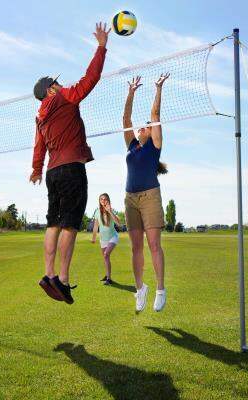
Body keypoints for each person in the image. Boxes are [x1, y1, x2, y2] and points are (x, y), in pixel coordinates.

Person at [30, 22, 110, 304]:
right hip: (71, 169)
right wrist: (101, 47)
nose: (60, 84)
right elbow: (89, 81)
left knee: (53, 223)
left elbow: (39, 145)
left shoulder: (40, 115)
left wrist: (36, 169)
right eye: (56, 83)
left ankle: (49, 274)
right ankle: (62, 280)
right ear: (50, 90)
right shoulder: (62, 97)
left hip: (52, 172)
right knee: (70, 226)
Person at [122, 73, 170, 313]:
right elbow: (125, 118)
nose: (144, 126)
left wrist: (157, 89)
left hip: (150, 196)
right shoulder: (132, 145)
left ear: (151, 133)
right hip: (130, 198)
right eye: (143, 126)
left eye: (147, 127)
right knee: (135, 247)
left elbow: (155, 116)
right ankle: (140, 289)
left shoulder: (154, 146)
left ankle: (160, 289)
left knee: (153, 244)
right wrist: (131, 92)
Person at [91, 193, 120, 285]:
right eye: (101, 199)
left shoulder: (111, 210)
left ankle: (109, 279)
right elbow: (96, 225)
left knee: (106, 254)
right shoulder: (97, 212)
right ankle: (107, 275)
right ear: (99, 201)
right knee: (105, 257)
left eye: (105, 199)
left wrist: (110, 211)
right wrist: (94, 237)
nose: (103, 201)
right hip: (103, 239)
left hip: (113, 237)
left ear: (108, 200)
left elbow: (118, 223)